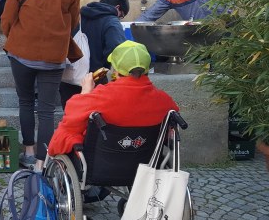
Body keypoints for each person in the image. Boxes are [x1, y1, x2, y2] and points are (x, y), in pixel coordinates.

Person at [1, 0, 81, 171]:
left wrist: (15, 37)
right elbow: (74, 21)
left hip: (22, 52)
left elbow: (7, 17)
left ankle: (27, 151)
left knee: (25, 101)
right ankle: (40, 161)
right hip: (54, 55)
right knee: (46, 110)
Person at [49, 41, 179, 157]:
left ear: (116, 70)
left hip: (100, 164)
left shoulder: (101, 96)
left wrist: (85, 92)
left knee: (66, 132)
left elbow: (71, 118)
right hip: (145, 163)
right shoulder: (164, 101)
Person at [59, 0, 129, 107]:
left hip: (69, 76)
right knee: (94, 118)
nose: (119, 18)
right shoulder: (111, 21)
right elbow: (117, 50)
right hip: (95, 78)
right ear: (117, 8)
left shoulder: (79, 14)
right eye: (121, 15)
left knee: (70, 115)